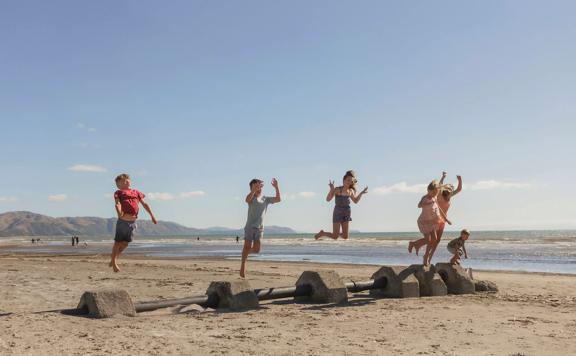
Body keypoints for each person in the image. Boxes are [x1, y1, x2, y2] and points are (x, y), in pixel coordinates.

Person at [109, 173, 157, 273]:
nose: (126, 181)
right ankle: (114, 263)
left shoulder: (136, 192)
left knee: (126, 244)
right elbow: (117, 204)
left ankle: (114, 258)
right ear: (118, 185)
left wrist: (152, 215)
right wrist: (119, 213)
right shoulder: (118, 192)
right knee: (117, 243)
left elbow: (145, 204)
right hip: (123, 221)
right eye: (123, 181)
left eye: (127, 180)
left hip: (132, 222)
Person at [240, 178, 281, 278]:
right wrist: (253, 190)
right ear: (252, 187)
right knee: (247, 246)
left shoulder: (265, 199)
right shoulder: (251, 197)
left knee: (257, 249)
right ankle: (243, 265)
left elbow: (278, 199)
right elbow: (246, 200)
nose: (259, 188)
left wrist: (276, 187)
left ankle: (245, 255)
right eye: (256, 186)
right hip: (250, 226)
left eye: (260, 186)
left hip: (259, 228)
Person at [314, 170, 368, 240]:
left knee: (345, 236)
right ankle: (322, 233)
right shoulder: (338, 189)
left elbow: (355, 201)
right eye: (348, 180)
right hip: (338, 212)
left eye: (351, 181)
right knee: (335, 237)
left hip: (347, 212)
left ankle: (332, 233)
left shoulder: (350, 191)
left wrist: (361, 193)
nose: (349, 182)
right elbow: (328, 199)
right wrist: (331, 189)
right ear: (344, 180)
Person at [408, 180, 451, 266]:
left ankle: (426, 256)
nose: (435, 194)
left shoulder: (434, 198)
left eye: (436, 193)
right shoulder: (425, 198)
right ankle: (413, 243)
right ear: (428, 190)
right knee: (429, 240)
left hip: (433, 222)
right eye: (433, 192)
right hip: (424, 222)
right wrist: (426, 203)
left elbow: (439, 208)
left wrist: (446, 218)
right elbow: (419, 205)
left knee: (434, 240)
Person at [425, 172, 463, 262]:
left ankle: (429, 258)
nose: (450, 191)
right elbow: (440, 185)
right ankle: (426, 257)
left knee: (437, 241)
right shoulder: (439, 195)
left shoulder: (450, 196)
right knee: (433, 240)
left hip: (443, 221)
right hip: (435, 219)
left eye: (451, 189)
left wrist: (460, 180)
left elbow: (459, 189)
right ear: (445, 190)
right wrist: (443, 177)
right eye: (449, 189)